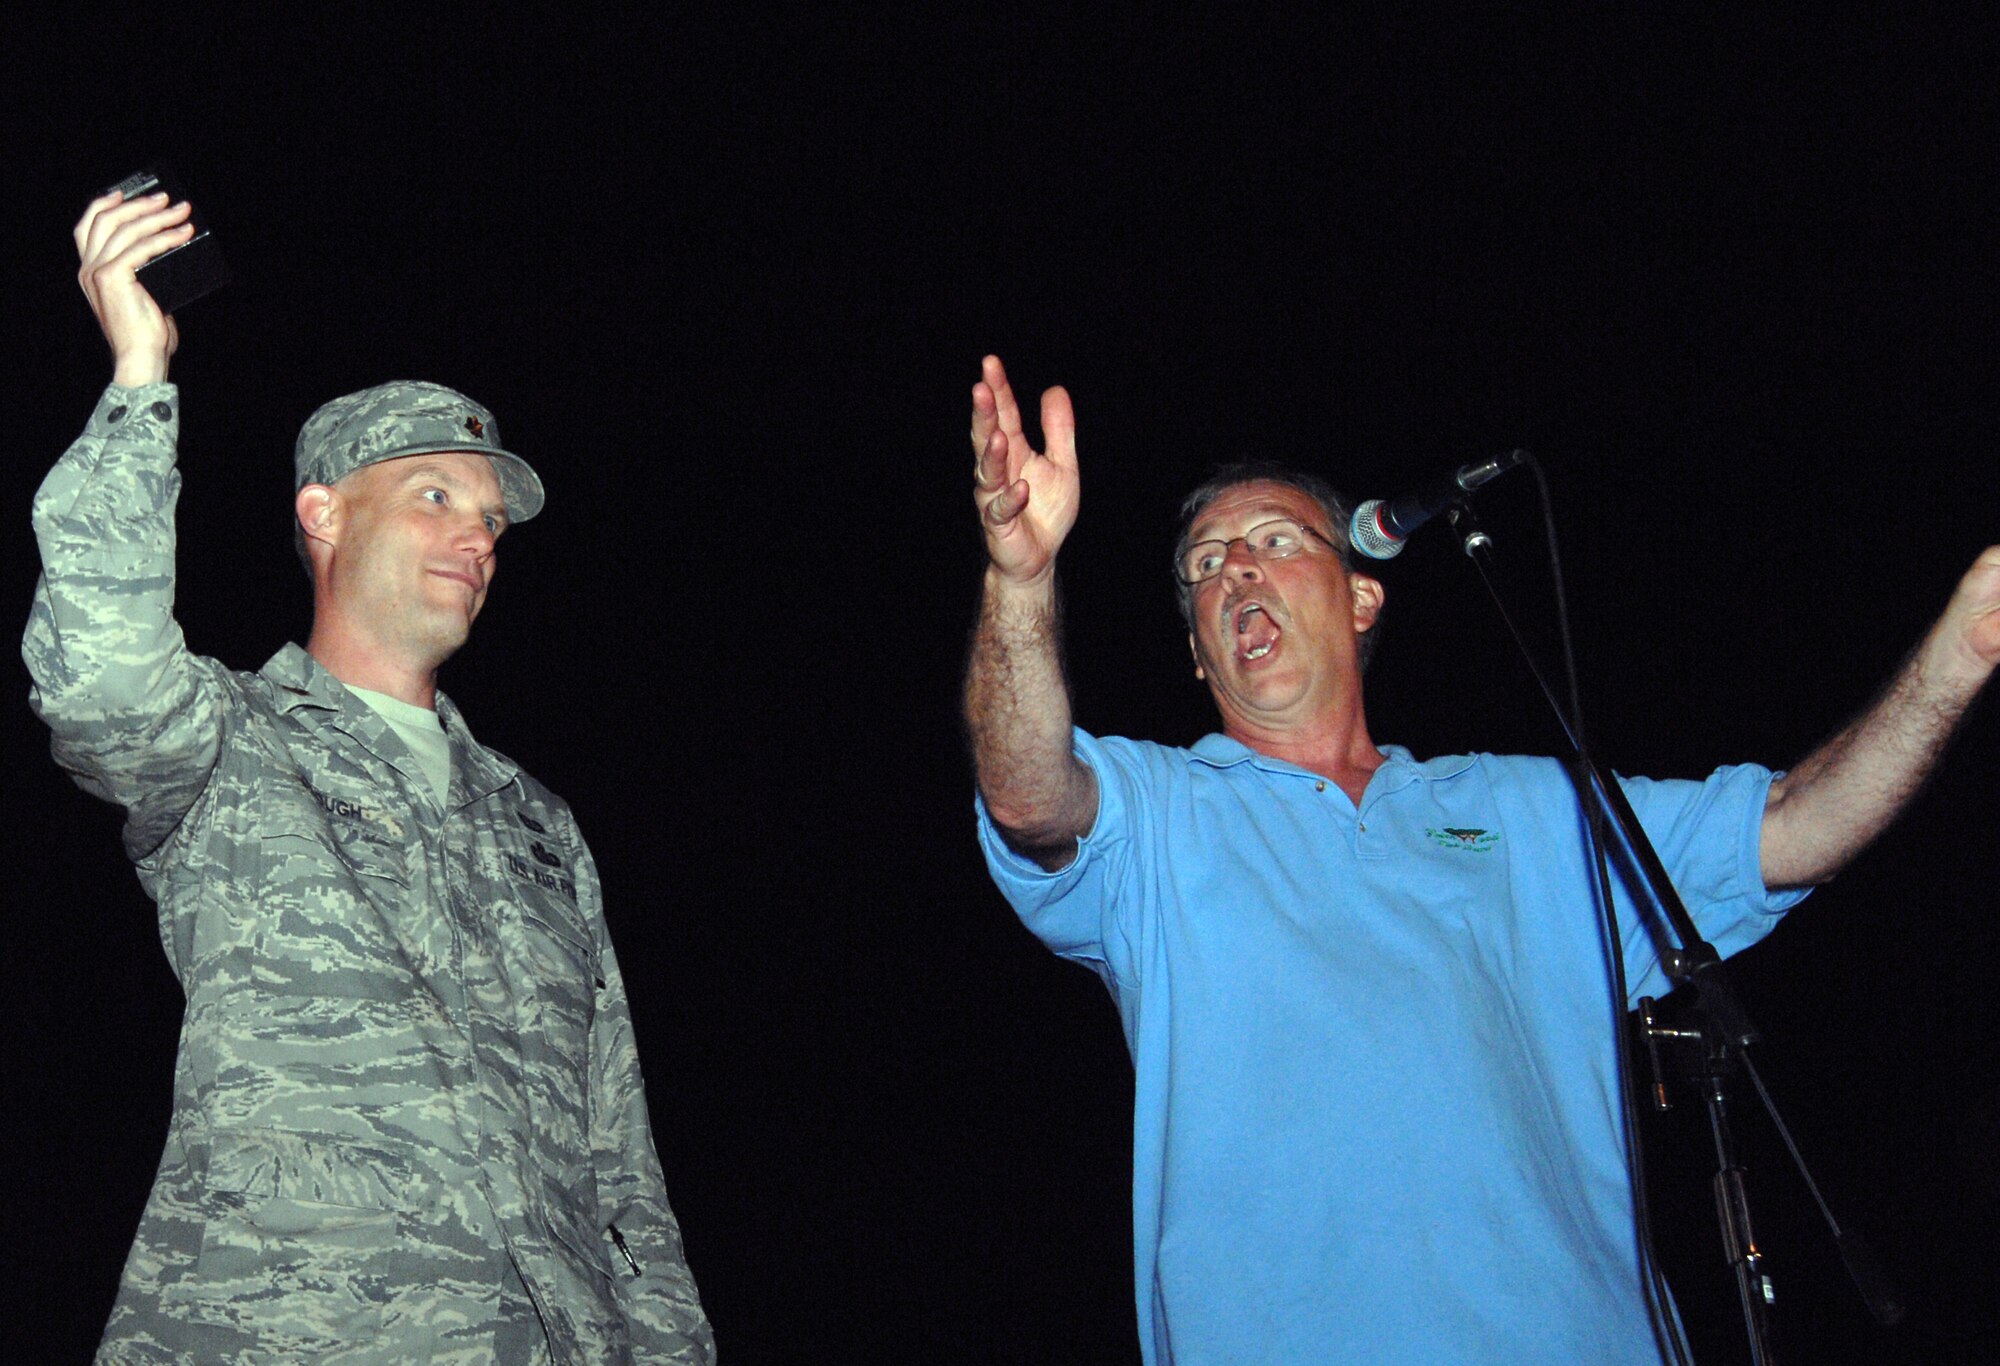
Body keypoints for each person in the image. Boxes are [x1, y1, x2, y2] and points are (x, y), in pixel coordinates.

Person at [962, 354, 1998, 1363]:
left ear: (1362, 598)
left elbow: (1792, 827)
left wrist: (1959, 652)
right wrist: (1022, 577)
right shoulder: (1156, 812)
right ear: (1195, 649)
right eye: (1204, 563)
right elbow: (1025, 790)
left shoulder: (1528, 805)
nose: (1235, 566)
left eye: (1275, 540)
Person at [27, 190, 714, 1363]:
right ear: (322, 512)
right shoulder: (236, 743)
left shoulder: (537, 823)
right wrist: (141, 374)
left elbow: (621, 1167)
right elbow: (96, 680)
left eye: (492, 518)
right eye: (436, 495)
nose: (479, 536)